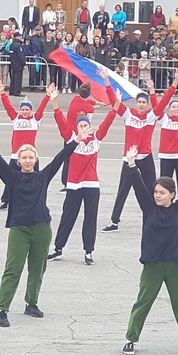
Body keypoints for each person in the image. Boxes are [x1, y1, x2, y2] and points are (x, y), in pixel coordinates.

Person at [0, 122, 75, 328]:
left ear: (36, 159)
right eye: (24, 157)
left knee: (38, 268)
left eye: (31, 157)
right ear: (19, 161)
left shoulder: (43, 177)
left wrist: (76, 140)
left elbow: (60, 159)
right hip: (20, 229)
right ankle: (3, 308)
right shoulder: (12, 179)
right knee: (13, 269)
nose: (28, 160)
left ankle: (31, 303)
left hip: (42, 228)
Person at [120, 146, 178, 355]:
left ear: (172, 195)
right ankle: (131, 338)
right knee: (143, 302)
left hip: (173, 264)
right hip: (152, 265)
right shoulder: (148, 207)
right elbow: (138, 185)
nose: (157, 195)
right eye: (156, 192)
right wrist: (132, 163)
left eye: (162, 192)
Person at [48, 94, 117, 264]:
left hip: (92, 184)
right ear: (77, 128)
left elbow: (107, 123)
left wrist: (116, 106)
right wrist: (54, 101)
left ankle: (88, 252)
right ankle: (58, 248)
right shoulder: (72, 138)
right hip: (74, 184)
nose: (84, 128)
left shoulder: (97, 139)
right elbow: (60, 120)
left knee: (90, 217)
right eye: (81, 126)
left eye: (86, 125)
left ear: (90, 126)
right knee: (68, 216)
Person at [104, 79, 177, 230]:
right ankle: (114, 221)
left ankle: (153, 216)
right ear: (136, 103)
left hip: (145, 158)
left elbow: (164, 102)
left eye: (144, 102)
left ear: (148, 104)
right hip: (129, 158)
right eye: (140, 102)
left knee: (152, 188)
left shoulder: (152, 115)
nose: (142, 104)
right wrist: (106, 81)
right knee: (123, 189)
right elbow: (114, 102)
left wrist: (175, 82)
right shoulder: (128, 114)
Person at [0, 86, 52, 210]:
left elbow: (42, 108)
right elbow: (8, 107)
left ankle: (38, 201)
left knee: (37, 179)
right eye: (23, 109)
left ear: (31, 110)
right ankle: (6, 200)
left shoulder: (35, 120)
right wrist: (2, 93)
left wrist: (47, 96)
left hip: (31, 156)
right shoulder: (15, 119)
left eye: (27, 109)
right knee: (10, 178)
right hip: (16, 156)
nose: (25, 112)